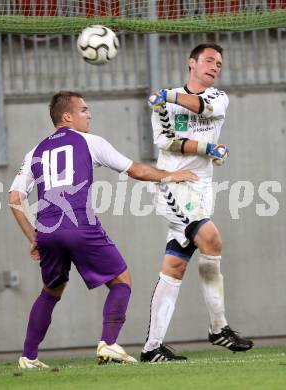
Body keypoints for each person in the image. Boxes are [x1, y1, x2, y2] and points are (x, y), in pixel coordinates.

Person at [8, 91, 198, 368]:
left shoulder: (34, 151)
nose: (89, 114)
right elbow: (136, 171)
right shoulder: (89, 142)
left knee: (51, 290)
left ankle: (28, 357)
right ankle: (108, 343)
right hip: (79, 224)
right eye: (84, 110)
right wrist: (170, 176)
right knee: (121, 280)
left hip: (47, 229)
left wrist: (33, 237)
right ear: (67, 116)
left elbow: (15, 199)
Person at [140, 43, 254, 362]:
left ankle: (152, 348)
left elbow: (202, 107)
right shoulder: (167, 104)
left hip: (201, 188)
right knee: (212, 238)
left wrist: (167, 96)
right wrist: (207, 148)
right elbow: (165, 141)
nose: (214, 66)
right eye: (208, 60)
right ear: (191, 63)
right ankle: (219, 328)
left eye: (218, 63)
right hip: (173, 185)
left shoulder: (218, 97)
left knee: (174, 266)